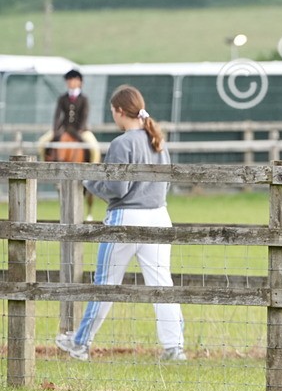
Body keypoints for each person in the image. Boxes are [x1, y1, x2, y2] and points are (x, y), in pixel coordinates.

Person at [55, 85, 186, 363]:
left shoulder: (122, 143)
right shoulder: (158, 141)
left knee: (106, 284)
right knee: (162, 284)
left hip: (125, 218)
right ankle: (175, 347)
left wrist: (90, 182)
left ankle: (80, 343)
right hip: (159, 216)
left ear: (118, 111)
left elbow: (117, 189)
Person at [37, 69, 101, 163]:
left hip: (81, 130)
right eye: (69, 80)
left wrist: (80, 129)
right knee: (42, 142)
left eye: (74, 79)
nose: (71, 82)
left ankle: (94, 168)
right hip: (64, 127)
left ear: (80, 82)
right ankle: (42, 163)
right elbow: (57, 115)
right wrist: (55, 130)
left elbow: (85, 115)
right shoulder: (62, 98)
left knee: (95, 148)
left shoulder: (84, 99)